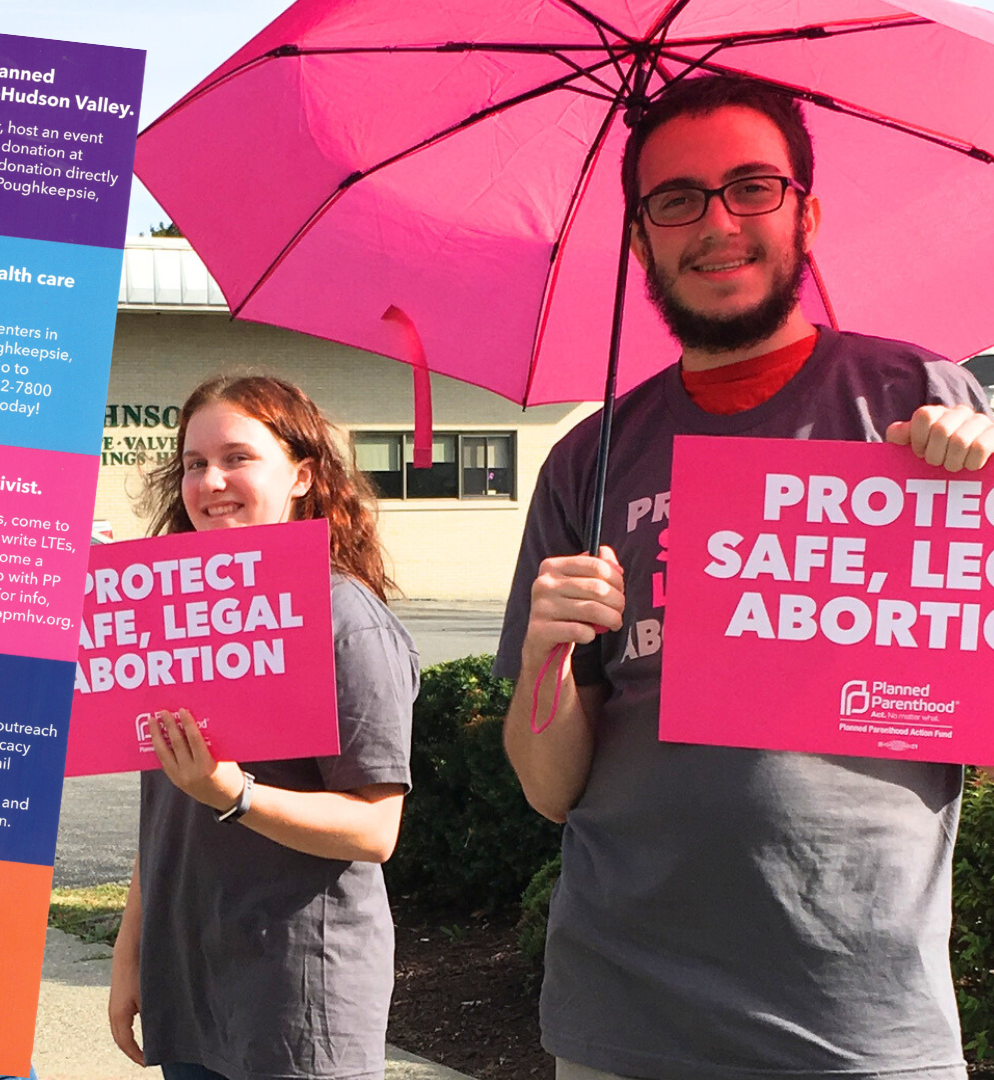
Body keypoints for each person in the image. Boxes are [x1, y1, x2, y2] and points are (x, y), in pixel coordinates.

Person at [497, 75, 994, 1080]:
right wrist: (550, 652)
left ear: (806, 212)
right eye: (675, 198)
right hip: (623, 1020)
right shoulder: (588, 462)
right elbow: (551, 793)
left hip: (858, 1022)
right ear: (640, 238)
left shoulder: (919, 402)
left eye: (751, 186)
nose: (716, 223)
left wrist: (983, 497)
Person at [106, 375, 417, 1080]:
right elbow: (165, 814)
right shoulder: (174, 615)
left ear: (302, 475)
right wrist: (131, 957)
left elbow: (374, 830)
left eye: (237, 457)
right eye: (193, 463)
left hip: (296, 999)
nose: (211, 481)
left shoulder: (344, 619)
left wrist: (232, 792)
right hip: (191, 990)